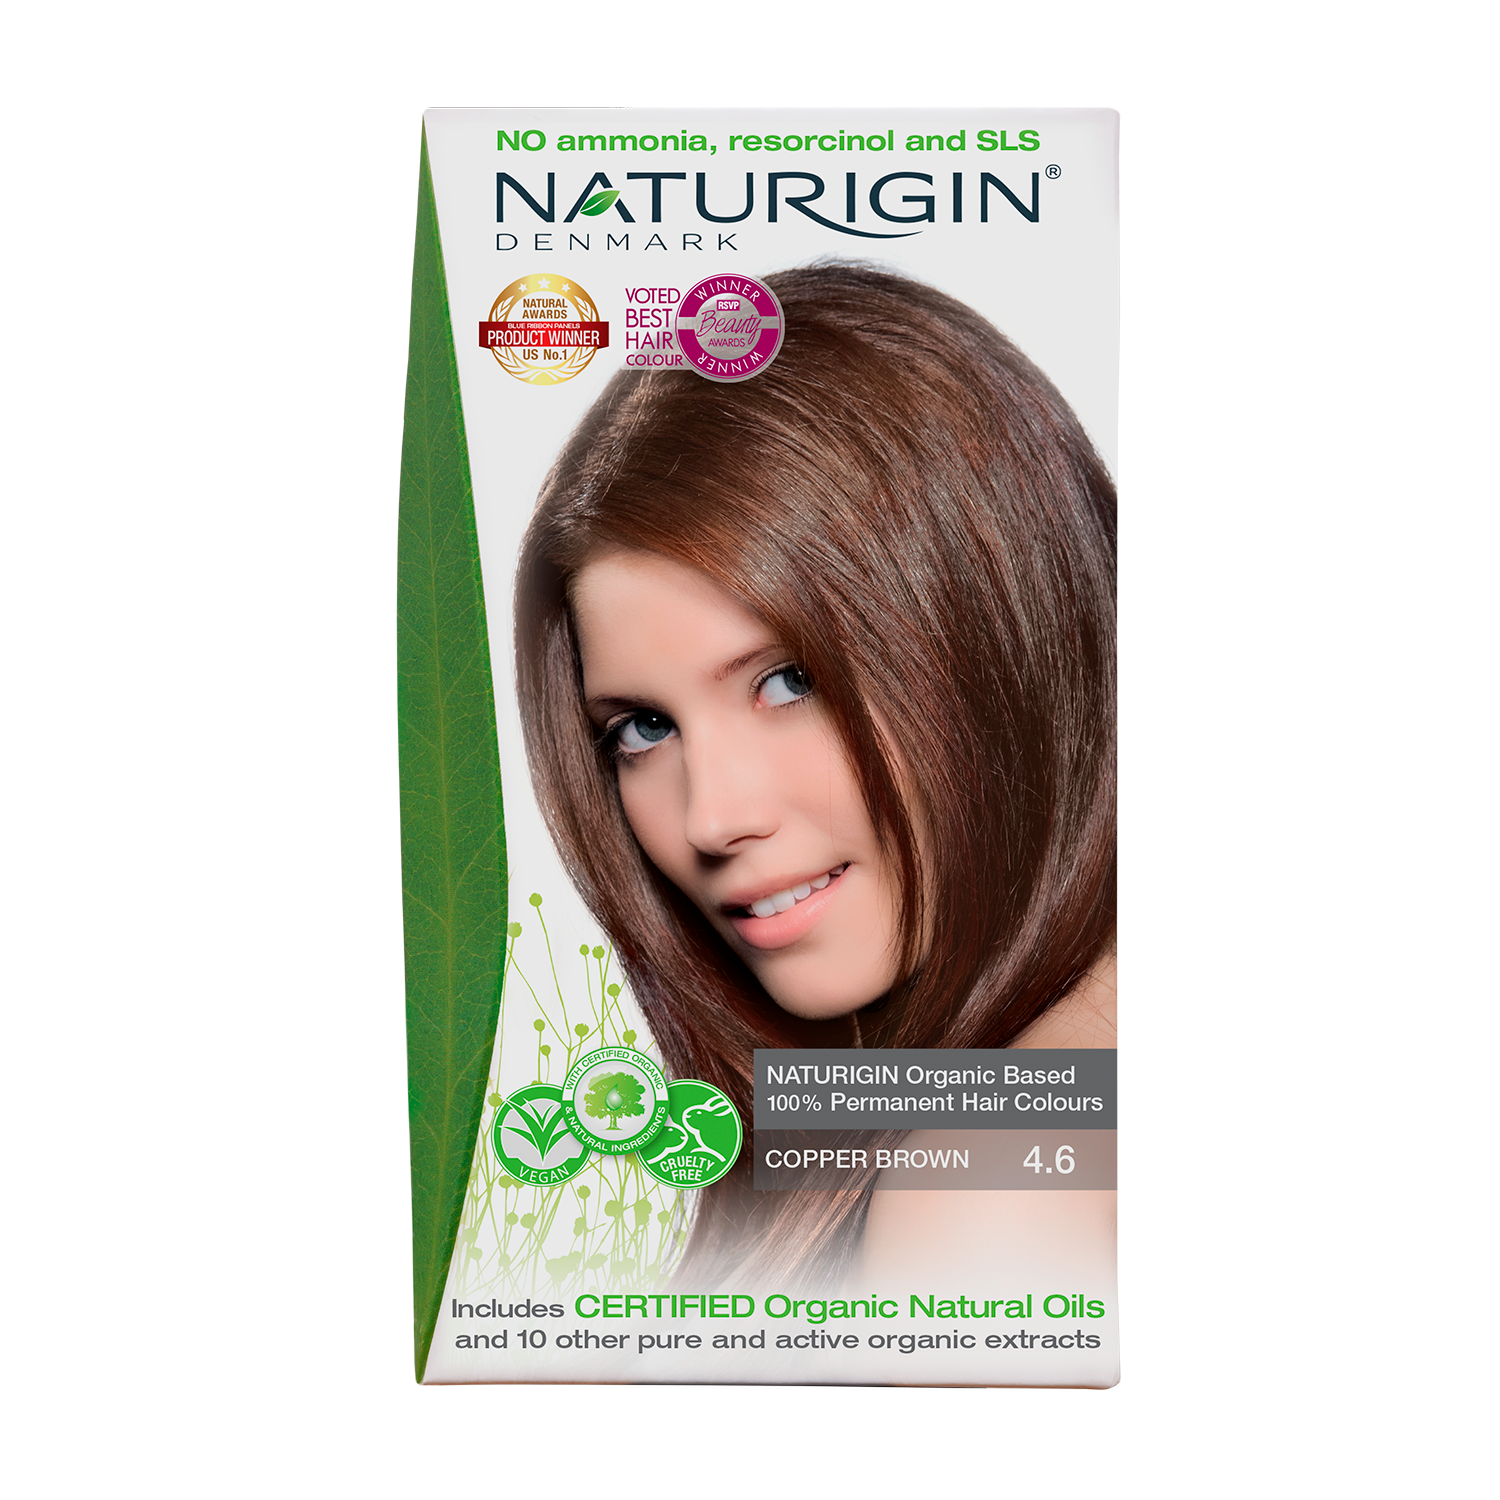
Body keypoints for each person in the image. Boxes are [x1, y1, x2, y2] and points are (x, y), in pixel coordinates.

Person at [515, 263, 1117, 1292]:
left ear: (1002, 635)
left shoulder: (994, 1186)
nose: (712, 818)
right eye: (643, 729)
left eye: (789, 680)